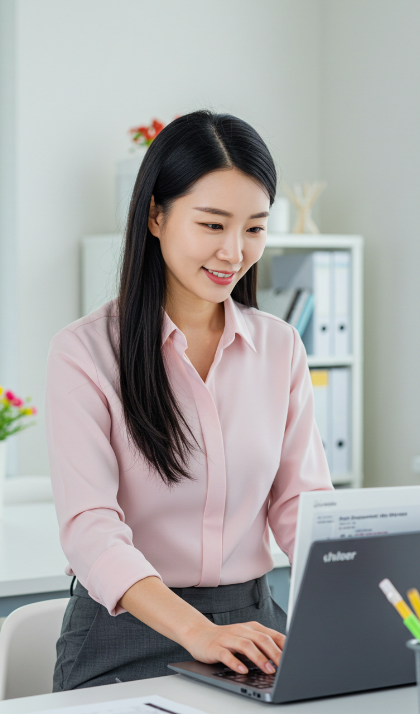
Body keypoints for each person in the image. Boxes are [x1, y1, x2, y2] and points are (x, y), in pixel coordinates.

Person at [45, 109, 333, 692]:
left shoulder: (280, 347)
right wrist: (198, 631)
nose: (234, 252)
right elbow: (90, 529)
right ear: (156, 215)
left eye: (254, 228)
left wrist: (361, 595)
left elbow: (301, 505)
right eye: (212, 224)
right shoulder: (84, 352)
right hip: (125, 633)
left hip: (253, 629)